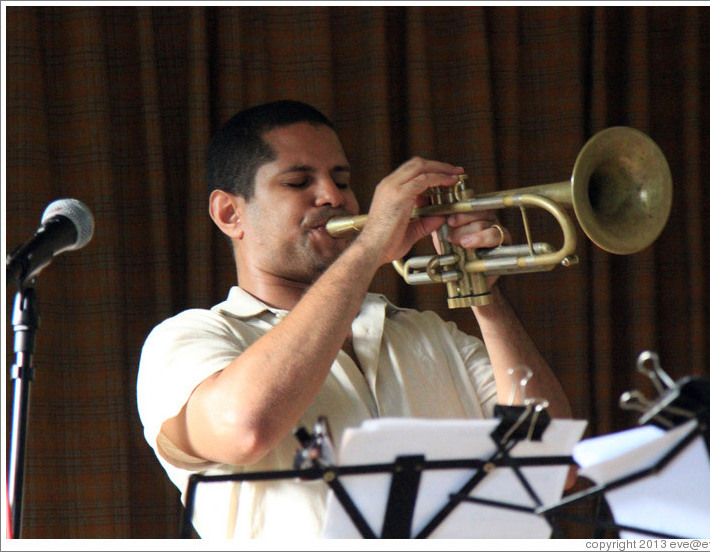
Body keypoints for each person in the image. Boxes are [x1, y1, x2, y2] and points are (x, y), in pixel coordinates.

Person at [136, 100, 573, 539]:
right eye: (298, 181)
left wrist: (486, 294)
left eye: (341, 180)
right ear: (230, 214)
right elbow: (244, 429)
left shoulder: (430, 335)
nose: (334, 197)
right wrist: (368, 250)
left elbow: (551, 469)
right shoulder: (188, 340)